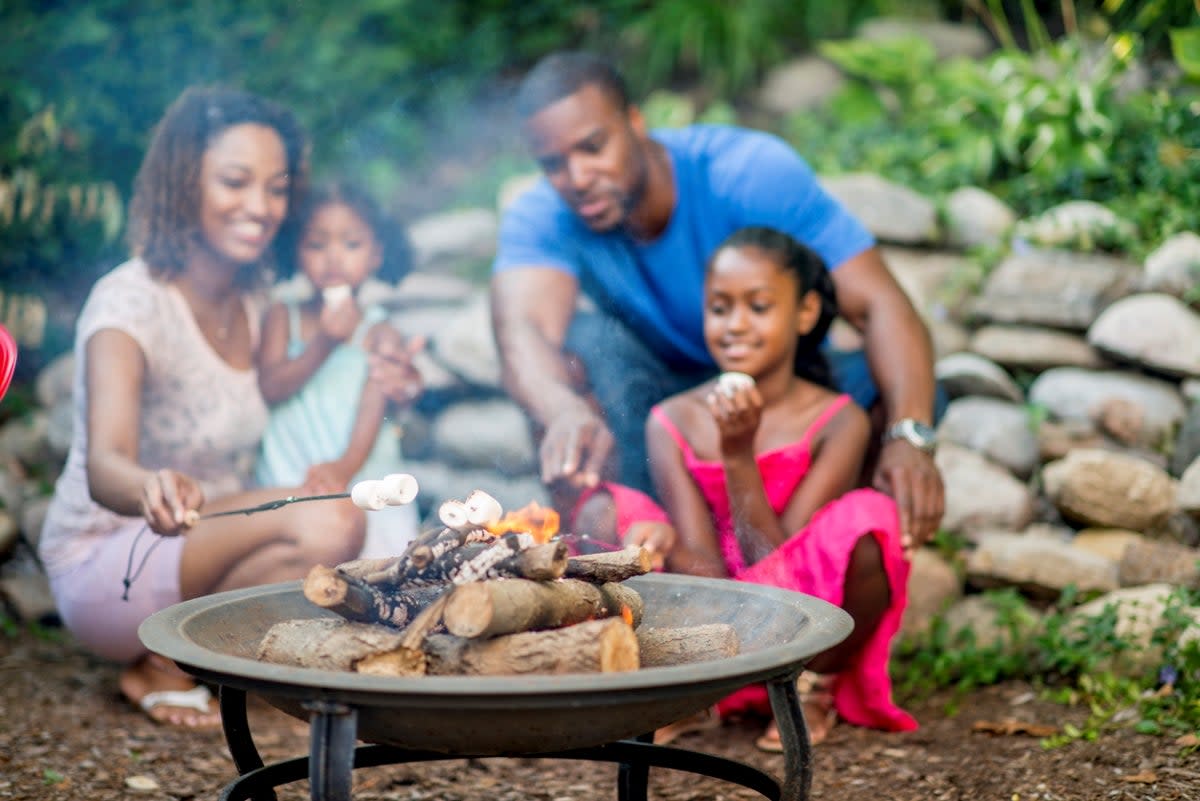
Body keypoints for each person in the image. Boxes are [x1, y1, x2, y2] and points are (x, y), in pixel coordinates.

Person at [37, 87, 421, 729]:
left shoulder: (260, 298)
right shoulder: (127, 305)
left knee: (345, 535)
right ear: (184, 183)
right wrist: (149, 485)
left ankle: (214, 659)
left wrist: (393, 375)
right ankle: (160, 663)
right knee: (330, 521)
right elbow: (105, 465)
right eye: (236, 182)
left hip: (222, 536)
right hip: (113, 554)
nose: (261, 208)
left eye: (276, 188)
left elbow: (337, 366)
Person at [490, 51, 944, 555]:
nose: (576, 178)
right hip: (665, 396)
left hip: (784, 385)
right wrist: (564, 409)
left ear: (636, 123)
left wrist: (910, 433)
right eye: (553, 163)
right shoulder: (542, 214)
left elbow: (879, 302)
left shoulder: (745, 172)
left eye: (593, 147)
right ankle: (629, 556)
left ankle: (817, 567)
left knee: (908, 395)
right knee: (575, 358)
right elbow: (522, 332)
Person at [647, 226, 916, 749]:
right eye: (720, 308)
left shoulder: (839, 421)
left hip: (801, 607)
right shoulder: (672, 419)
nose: (735, 325)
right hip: (711, 601)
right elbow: (699, 560)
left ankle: (814, 688)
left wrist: (737, 455)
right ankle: (696, 689)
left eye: (759, 306)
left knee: (871, 520)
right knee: (620, 518)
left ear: (806, 313)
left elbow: (777, 563)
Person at [255, 180, 423, 558]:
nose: (333, 258)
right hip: (293, 472)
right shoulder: (284, 315)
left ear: (376, 255)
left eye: (351, 244)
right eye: (317, 244)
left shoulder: (379, 330)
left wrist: (344, 467)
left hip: (359, 477)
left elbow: (374, 405)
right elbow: (271, 387)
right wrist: (324, 343)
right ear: (296, 251)